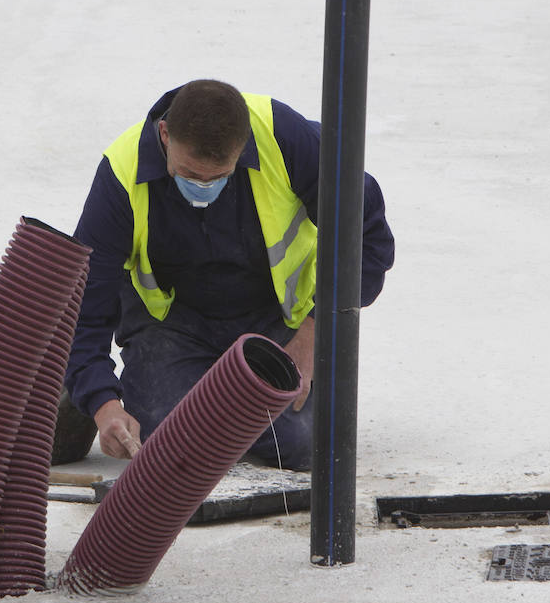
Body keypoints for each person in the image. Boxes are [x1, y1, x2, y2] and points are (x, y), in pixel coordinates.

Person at [55, 78, 394, 469]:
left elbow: (370, 241)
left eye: (218, 177)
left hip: (273, 319)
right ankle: (201, 406)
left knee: (308, 444)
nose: (202, 187)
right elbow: (84, 306)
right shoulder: (121, 174)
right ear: (164, 134)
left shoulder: (287, 140)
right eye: (189, 173)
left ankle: (224, 410)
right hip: (170, 325)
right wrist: (103, 404)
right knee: (166, 441)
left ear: (243, 145)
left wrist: (314, 335)